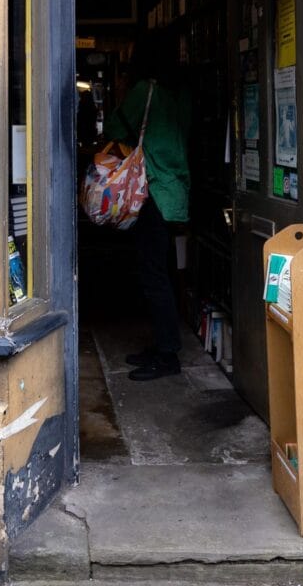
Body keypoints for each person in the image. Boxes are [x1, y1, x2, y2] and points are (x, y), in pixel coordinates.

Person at [103, 50, 191, 380]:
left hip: (150, 191)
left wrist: (125, 92)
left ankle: (167, 355)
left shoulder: (146, 90)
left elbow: (114, 125)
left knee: (152, 274)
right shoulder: (181, 94)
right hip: (174, 192)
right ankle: (162, 345)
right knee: (163, 270)